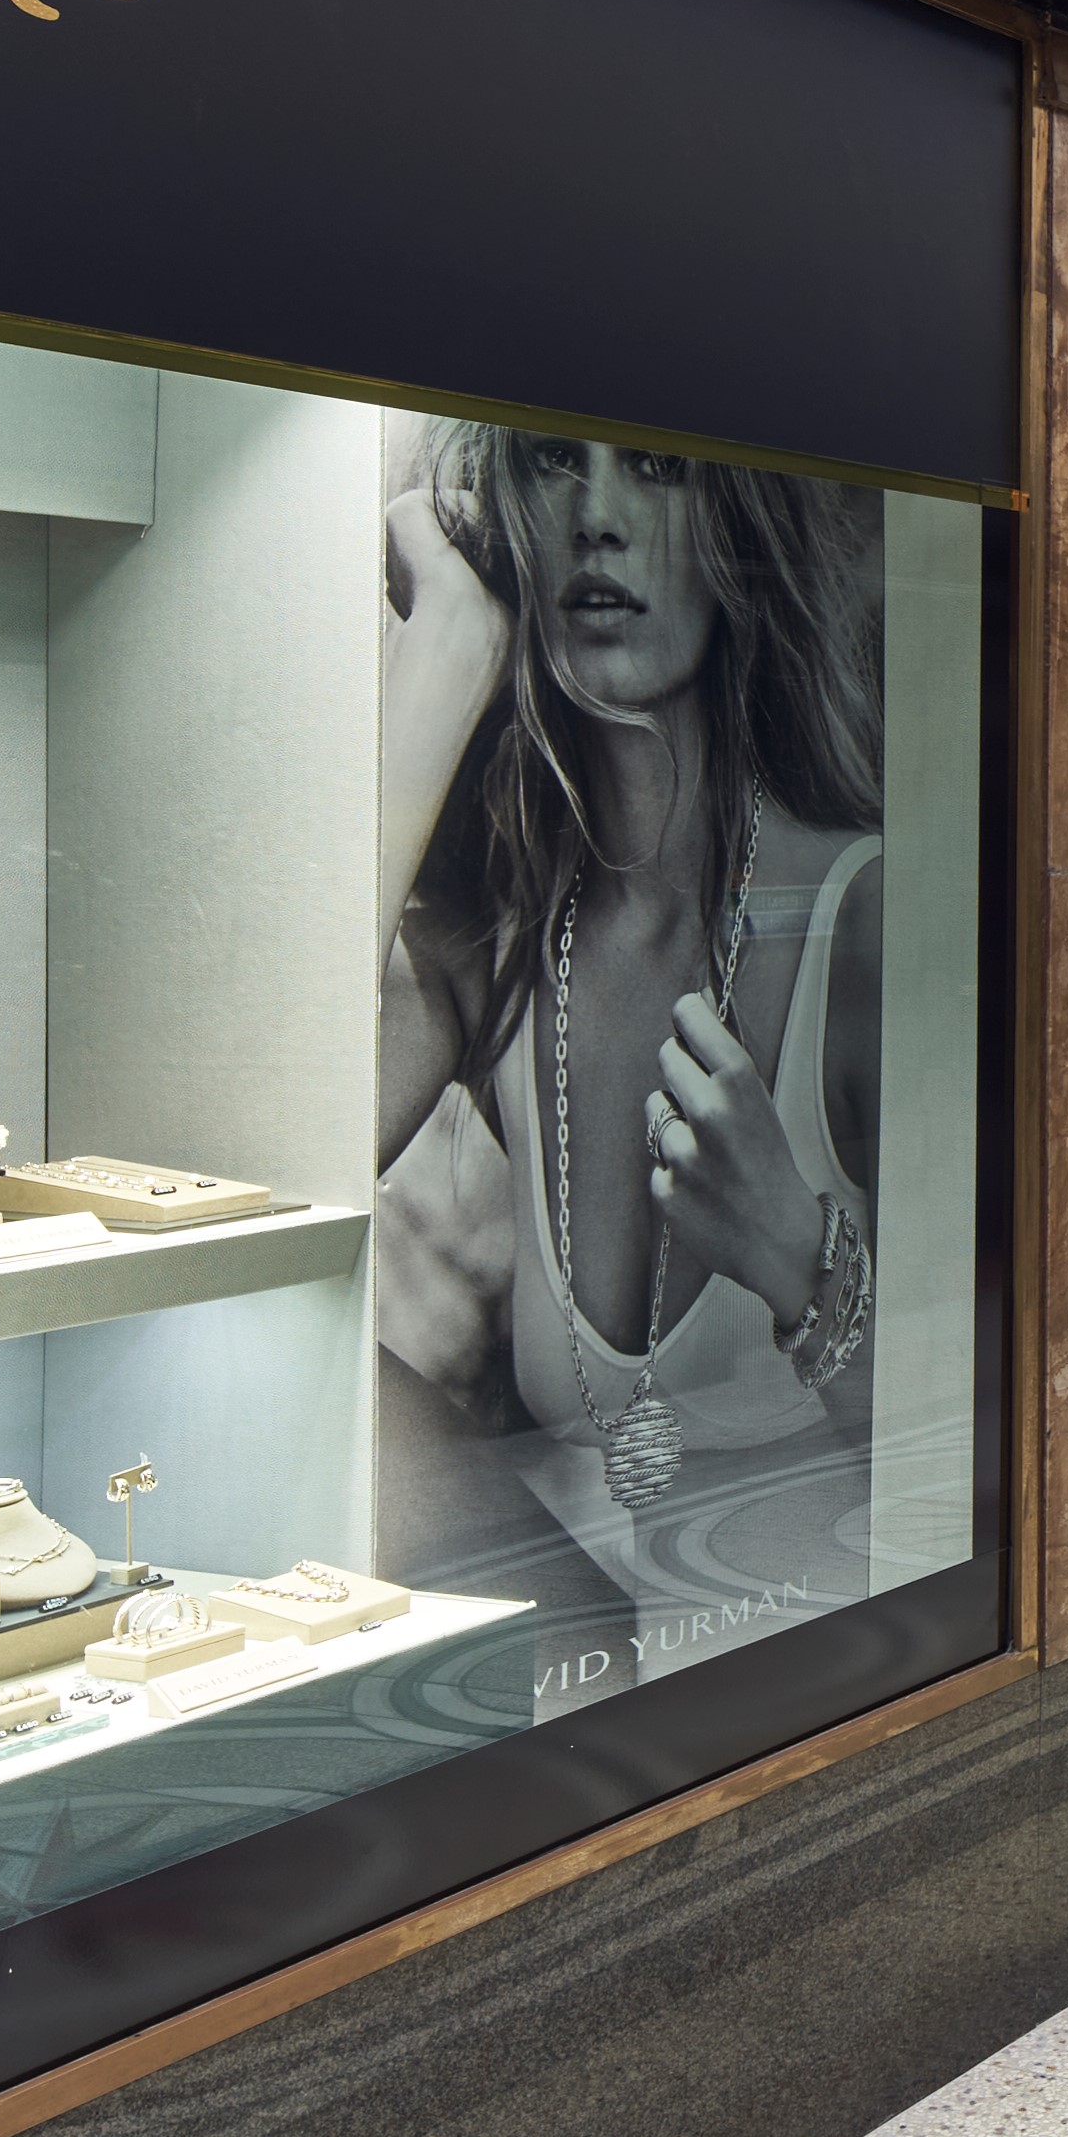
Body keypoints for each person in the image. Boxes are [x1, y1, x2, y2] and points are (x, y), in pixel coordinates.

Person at [374, 427, 887, 1694]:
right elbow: (242, 1207)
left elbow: (1027, 1478)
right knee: (317, 1370)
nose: (599, 514)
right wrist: (441, 661)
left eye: (658, 463)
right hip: (634, 1732)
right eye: (555, 462)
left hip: (883, 1719)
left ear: (739, 524)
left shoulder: (869, 918)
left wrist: (796, 1260)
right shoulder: (493, 949)